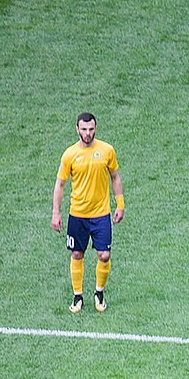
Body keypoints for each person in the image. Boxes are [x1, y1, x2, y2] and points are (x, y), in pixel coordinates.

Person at [51, 112, 125, 313]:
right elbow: (60, 184)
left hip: (101, 214)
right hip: (78, 215)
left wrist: (120, 204)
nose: (87, 133)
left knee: (104, 255)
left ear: (96, 128)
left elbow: (115, 177)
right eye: (84, 129)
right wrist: (56, 213)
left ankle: (99, 293)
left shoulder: (107, 150)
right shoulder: (69, 154)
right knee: (77, 253)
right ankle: (77, 297)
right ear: (77, 129)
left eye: (91, 129)